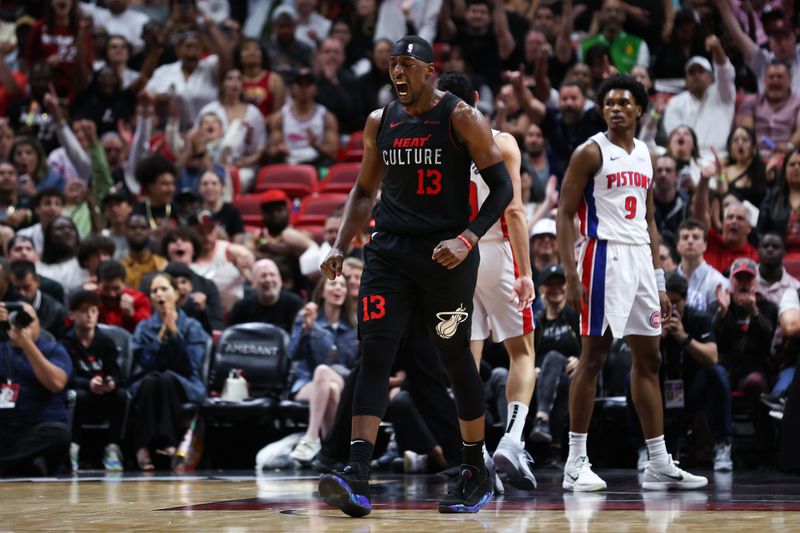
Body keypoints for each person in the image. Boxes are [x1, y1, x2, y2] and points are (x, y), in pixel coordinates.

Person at [318, 36, 513, 516]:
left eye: (407, 65)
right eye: (392, 66)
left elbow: (502, 187)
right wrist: (340, 245)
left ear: (430, 69)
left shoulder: (461, 116)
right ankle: (357, 472)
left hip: (446, 253)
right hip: (388, 252)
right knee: (374, 352)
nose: (398, 74)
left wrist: (468, 238)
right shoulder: (380, 121)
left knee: (453, 358)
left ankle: (474, 469)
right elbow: (364, 192)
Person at [555, 74, 707, 491]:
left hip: (640, 258)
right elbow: (564, 215)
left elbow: (651, 219)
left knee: (651, 360)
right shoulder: (589, 152)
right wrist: (571, 273)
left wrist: (658, 278)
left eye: (624, 102)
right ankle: (575, 461)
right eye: (609, 103)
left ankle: (658, 461)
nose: (616, 108)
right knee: (593, 359)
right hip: (603, 255)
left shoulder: (645, 153)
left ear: (640, 109)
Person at [437, 70, 536, 490]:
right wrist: (527, 271)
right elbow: (512, 211)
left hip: (453, 257)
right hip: (495, 249)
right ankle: (512, 439)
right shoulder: (504, 142)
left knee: (465, 361)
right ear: (476, 98)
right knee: (523, 351)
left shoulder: (436, 148)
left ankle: (474, 458)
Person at [130, 273, 209, 471]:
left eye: (164, 289)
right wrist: (160, 338)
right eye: (154, 291)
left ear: (176, 293)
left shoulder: (192, 326)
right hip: (151, 381)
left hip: (186, 382)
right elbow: (145, 362)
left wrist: (174, 334)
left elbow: (191, 364)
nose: (159, 294)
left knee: (166, 379)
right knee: (153, 380)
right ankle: (149, 446)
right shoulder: (144, 327)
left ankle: (154, 445)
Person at [288, 275, 359, 463]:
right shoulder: (306, 317)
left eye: (343, 285)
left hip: (343, 378)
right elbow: (293, 354)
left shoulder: (354, 324)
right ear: (321, 291)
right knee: (328, 386)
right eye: (333, 283)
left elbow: (354, 364)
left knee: (324, 373)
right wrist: (306, 328)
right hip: (308, 382)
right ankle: (333, 452)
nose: (338, 288)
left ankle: (312, 437)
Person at [0, 301, 72, 476]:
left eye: (28, 320)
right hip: (5, 427)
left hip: (37, 428)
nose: (23, 326)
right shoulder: (2, 349)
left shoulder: (53, 349)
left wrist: (27, 345)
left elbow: (56, 383)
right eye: (18, 319)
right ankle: (18, 465)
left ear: (39, 323)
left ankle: (8, 465)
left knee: (58, 433)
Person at [61, 290, 127, 471]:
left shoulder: (106, 342)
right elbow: (66, 375)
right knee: (78, 395)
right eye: (83, 311)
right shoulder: (65, 342)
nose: (89, 315)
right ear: (72, 314)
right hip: (81, 391)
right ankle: (72, 447)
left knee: (122, 395)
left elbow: (116, 372)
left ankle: (112, 447)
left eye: (93, 311)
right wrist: (88, 384)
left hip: (102, 393)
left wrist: (111, 382)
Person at [529, 264, 581, 469]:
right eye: (550, 285)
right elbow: (528, 354)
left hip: (571, 374)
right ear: (542, 288)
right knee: (551, 363)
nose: (556, 289)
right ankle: (553, 452)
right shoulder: (538, 321)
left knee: (562, 376)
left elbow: (589, 349)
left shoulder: (574, 317)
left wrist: (580, 360)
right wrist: (531, 368)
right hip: (540, 378)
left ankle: (542, 420)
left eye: (560, 284)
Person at [715, 258, 778, 399]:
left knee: (755, 381)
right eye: (739, 278)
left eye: (748, 278)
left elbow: (768, 338)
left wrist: (754, 311)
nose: (743, 283)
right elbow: (712, 340)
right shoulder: (722, 305)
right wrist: (722, 313)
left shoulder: (768, 307)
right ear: (730, 281)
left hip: (755, 370)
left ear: (756, 283)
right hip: (726, 369)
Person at [661, 40, 736, 159]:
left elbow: (725, 73)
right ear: (685, 79)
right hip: (686, 158)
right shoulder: (675, 102)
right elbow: (674, 136)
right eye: (691, 72)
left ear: (712, 77)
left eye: (701, 71)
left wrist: (716, 48)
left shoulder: (723, 95)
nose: (696, 75)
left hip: (720, 158)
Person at [227, 258, 303, 333]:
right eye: (263, 276)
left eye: (272, 275)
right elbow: (231, 336)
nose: (269, 280)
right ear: (254, 283)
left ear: (280, 280)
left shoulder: (294, 303)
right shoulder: (241, 307)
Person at [675, 218, 729, 315]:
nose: (690, 241)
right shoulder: (666, 280)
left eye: (695, 237)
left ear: (705, 245)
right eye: (685, 237)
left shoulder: (718, 282)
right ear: (677, 245)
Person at [10, 260, 66, 336]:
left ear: (37, 281)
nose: (22, 293)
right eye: (17, 288)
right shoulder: (6, 303)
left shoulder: (56, 311)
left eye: (26, 288)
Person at [96, 260, 152, 333]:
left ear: (124, 283)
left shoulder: (139, 299)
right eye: (106, 288)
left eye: (116, 288)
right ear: (98, 284)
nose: (111, 294)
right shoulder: (92, 300)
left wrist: (133, 314)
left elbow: (149, 330)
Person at [120, 214, 168, 291]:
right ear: (125, 231)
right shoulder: (120, 266)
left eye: (143, 228)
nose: (138, 231)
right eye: (133, 228)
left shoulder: (161, 264)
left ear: (149, 231)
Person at [652, 155, 689, 239]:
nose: (663, 174)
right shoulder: (644, 202)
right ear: (653, 175)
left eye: (668, 170)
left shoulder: (686, 203)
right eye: (659, 170)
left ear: (677, 175)